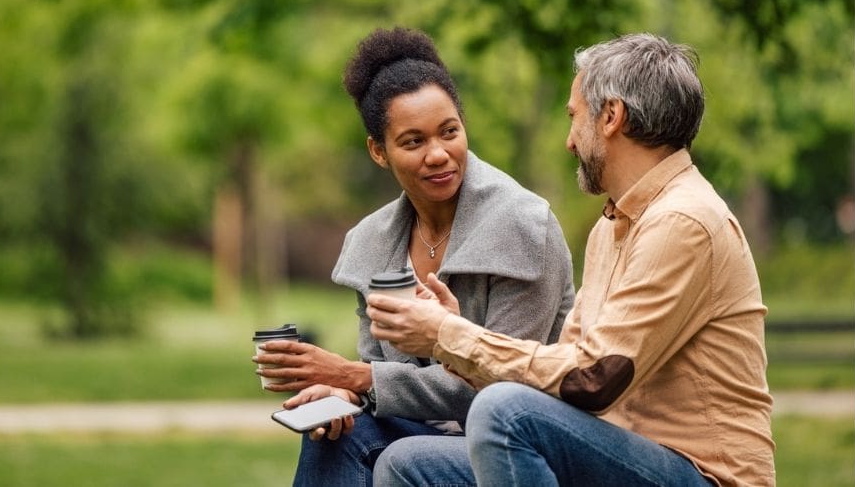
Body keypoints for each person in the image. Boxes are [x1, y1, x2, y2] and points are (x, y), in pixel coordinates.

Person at [367, 33, 775, 486]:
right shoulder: (614, 225)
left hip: (701, 474)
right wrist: (455, 342)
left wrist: (448, 334)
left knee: (505, 413)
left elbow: (593, 380)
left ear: (611, 117)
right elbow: (564, 367)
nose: (568, 141)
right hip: (622, 456)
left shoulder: (683, 222)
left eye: (573, 117)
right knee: (408, 463)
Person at [253, 26, 576, 486]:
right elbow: (379, 373)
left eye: (449, 132)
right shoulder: (373, 243)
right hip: (429, 432)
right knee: (335, 433)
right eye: (413, 141)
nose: (439, 154)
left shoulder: (522, 224)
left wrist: (358, 377)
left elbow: (507, 390)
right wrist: (345, 393)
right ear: (378, 152)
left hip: (522, 442)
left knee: (401, 456)